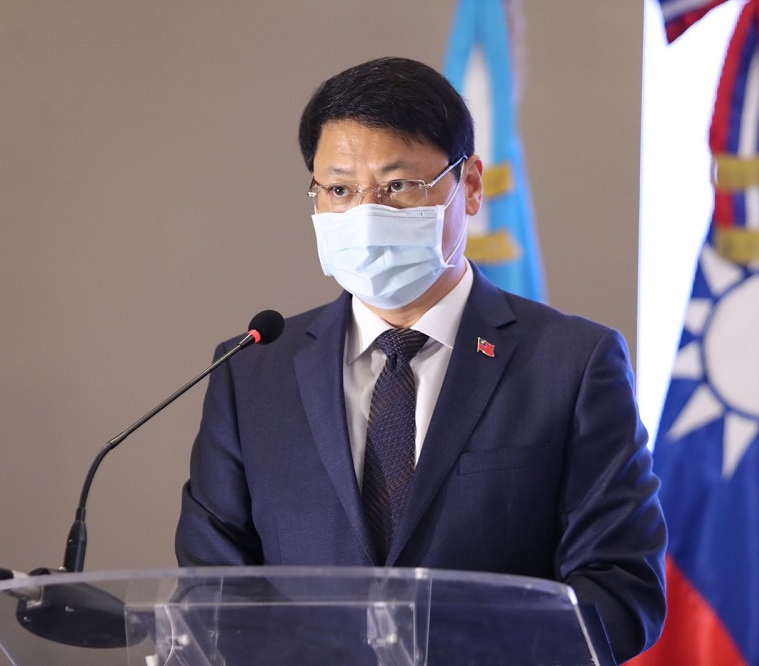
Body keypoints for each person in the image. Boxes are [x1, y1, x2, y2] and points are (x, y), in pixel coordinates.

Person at [176, 56, 666, 662]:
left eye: (398, 186)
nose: (366, 214)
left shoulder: (573, 365)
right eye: (340, 190)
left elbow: (620, 591)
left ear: (472, 186)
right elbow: (210, 593)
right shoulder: (252, 372)